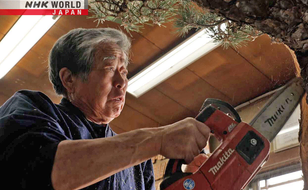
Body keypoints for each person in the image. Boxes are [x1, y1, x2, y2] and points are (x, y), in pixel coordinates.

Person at [0, 28, 210, 190]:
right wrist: (157, 139)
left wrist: (188, 183)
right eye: (109, 69)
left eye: (124, 72)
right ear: (69, 79)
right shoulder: (32, 109)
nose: (122, 82)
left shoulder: (139, 164)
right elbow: (38, 171)